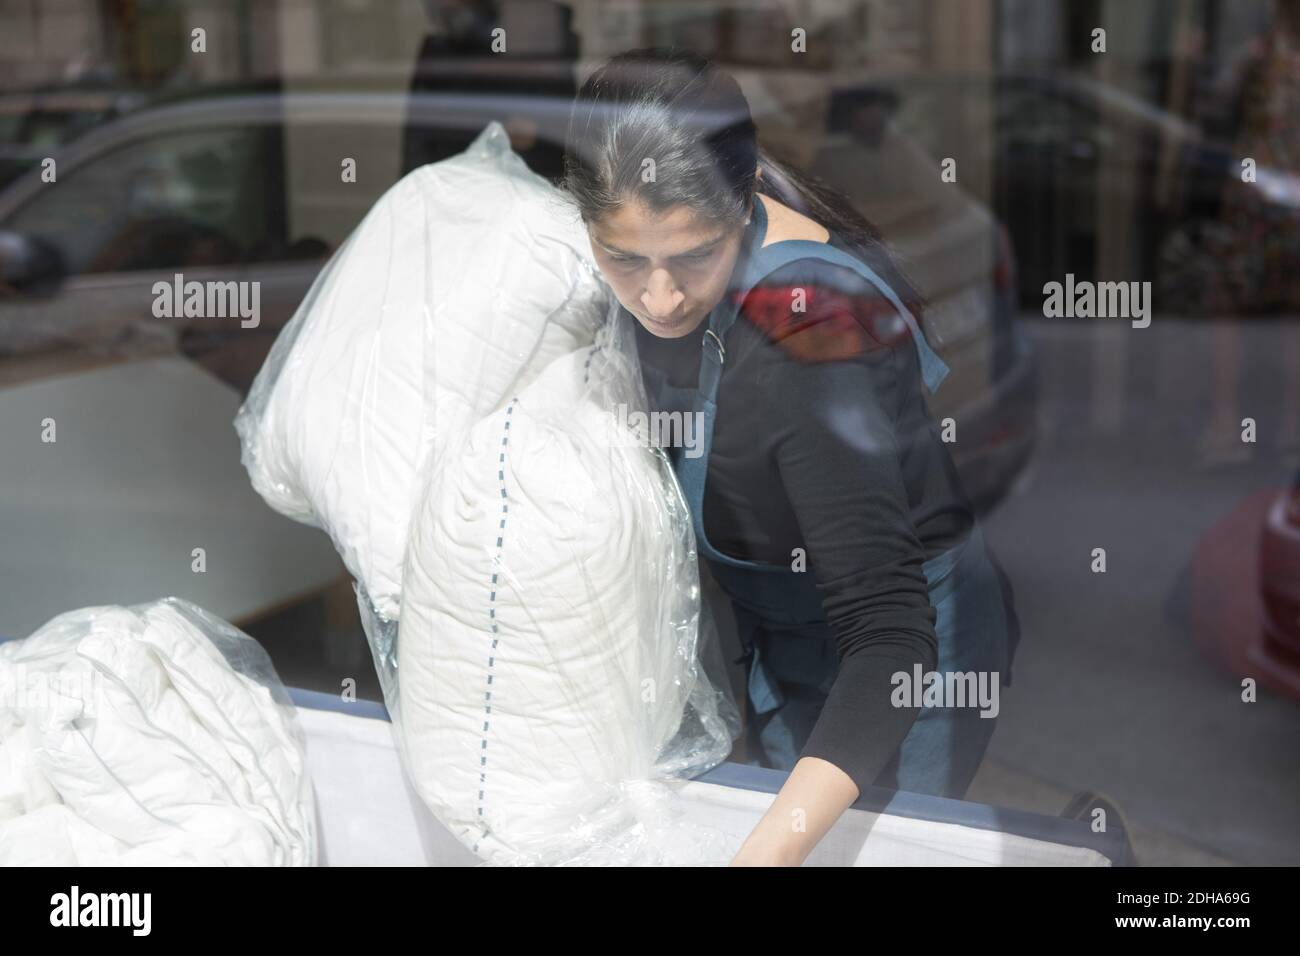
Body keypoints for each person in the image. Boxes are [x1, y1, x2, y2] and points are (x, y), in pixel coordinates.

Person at [562, 48, 1018, 866]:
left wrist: (762, 857)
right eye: (625, 259)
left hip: (899, 659)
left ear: (741, 208)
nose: (659, 297)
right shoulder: (641, 262)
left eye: (694, 256)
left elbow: (887, 636)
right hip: (780, 624)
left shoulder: (812, 337)